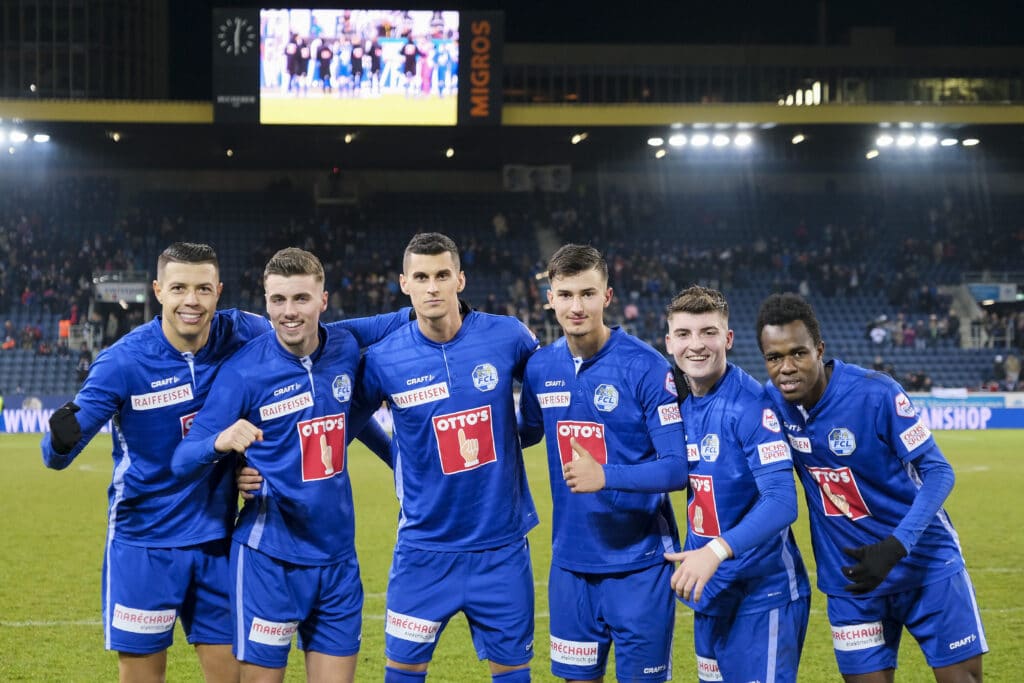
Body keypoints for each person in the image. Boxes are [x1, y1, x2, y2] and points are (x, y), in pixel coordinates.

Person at [40, 242, 403, 683]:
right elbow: (60, 452)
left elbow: (327, 362)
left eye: (202, 289)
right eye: (178, 288)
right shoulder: (123, 363)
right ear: (158, 290)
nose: (191, 300)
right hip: (145, 543)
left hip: (216, 540)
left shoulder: (243, 333)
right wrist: (60, 439)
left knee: (231, 677)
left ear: (218, 292)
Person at [171, 248, 381, 682]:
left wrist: (404, 462)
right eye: (278, 300)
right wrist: (221, 441)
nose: (289, 312)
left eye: (301, 299)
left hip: (338, 560)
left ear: (323, 301)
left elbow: (406, 318)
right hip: (270, 559)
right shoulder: (243, 372)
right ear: (264, 301)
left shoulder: (344, 344)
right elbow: (182, 459)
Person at [756, 293, 987, 682]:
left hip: (926, 564)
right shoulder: (771, 403)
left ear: (820, 349)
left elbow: (939, 472)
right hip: (852, 580)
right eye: (773, 358)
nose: (786, 368)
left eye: (798, 353)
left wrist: (898, 546)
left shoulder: (876, 393)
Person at [359, 233, 539, 683]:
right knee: (401, 675)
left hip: (501, 550)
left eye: (442, 275)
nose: (433, 287)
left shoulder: (508, 336)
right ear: (405, 284)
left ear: (460, 279)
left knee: (514, 676)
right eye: (421, 277)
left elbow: (544, 405)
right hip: (423, 552)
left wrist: (515, 437)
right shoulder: (384, 359)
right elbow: (346, 420)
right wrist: (394, 454)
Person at [518, 244, 686, 683]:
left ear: (607, 297)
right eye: (567, 294)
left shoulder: (647, 367)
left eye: (588, 294)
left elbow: (676, 469)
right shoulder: (540, 368)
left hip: (640, 566)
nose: (577, 306)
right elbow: (526, 433)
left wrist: (604, 476)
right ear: (549, 298)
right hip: (570, 565)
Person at [662, 285, 811, 683]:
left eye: (708, 332)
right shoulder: (678, 404)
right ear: (669, 343)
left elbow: (782, 502)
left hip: (762, 596)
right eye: (684, 334)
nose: (696, 345)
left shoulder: (750, 405)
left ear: (727, 338)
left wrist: (714, 551)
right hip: (710, 592)